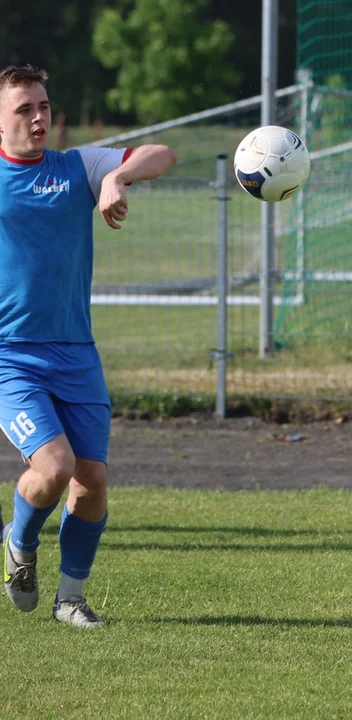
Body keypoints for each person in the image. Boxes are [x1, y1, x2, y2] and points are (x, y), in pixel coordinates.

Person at [0, 65, 177, 628]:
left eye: (44, 106)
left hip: (77, 352)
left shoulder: (76, 166)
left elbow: (162, 152)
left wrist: (116, 179)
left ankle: (69, 600)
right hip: (11, 356)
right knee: (53, 467)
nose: (38, 117)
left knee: (92, 481)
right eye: (24, 108)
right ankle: (19, 544)